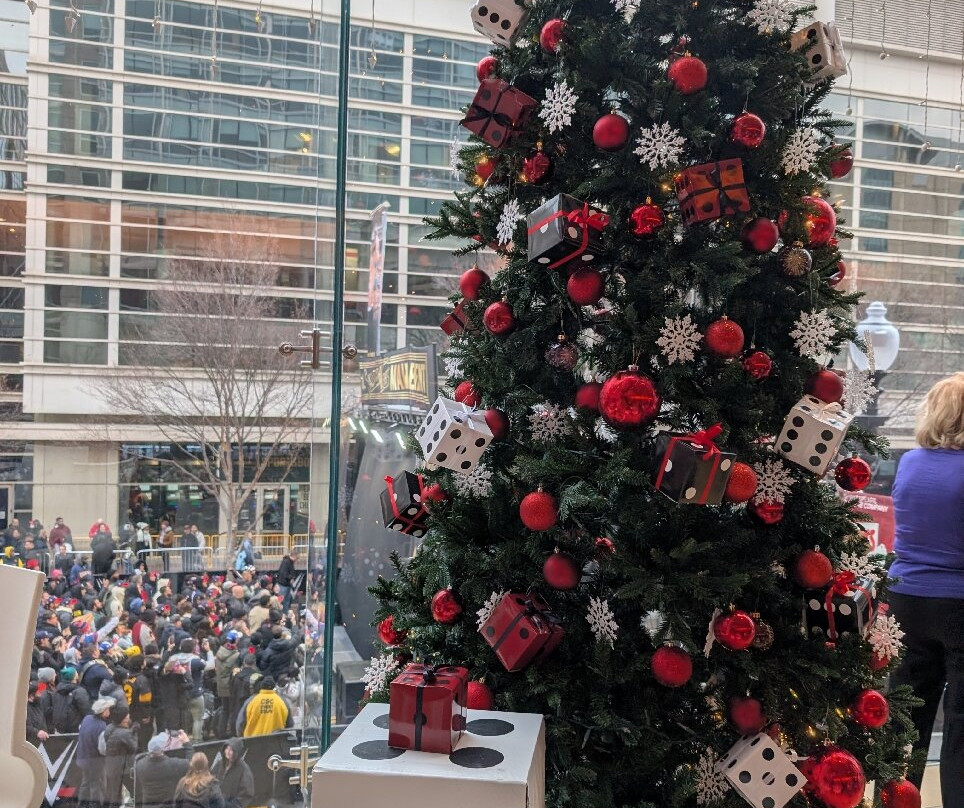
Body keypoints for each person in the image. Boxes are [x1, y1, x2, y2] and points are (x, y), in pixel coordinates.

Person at [888, 372, 964, 805]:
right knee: (961, 722)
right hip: (958, 606)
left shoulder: (910, 462)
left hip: (908, 601)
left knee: (905, 717)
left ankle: (896, 798)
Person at [134, 731, 193, 808]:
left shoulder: (140, 765)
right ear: (163, 749)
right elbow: (191, 763)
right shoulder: (173, 764)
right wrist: (187, 743)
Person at [76, 696, 114, 808]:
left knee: (85, 782)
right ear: (103, 712)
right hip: (95, 762)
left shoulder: (87, 718)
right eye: (107, 709)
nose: (109, 711)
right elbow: (103, 749)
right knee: (96, 785)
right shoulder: (101, 726)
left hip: (83, 758)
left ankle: (81, 804)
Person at [101, 702, 137, 808]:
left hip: (110, 765)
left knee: (113, 793)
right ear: (123, 718)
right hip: (124, 768)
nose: (129, 716)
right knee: (135, 790)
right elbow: (134, 747)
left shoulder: (108, 728)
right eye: (127, 715)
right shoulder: (124, 733)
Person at [210, 739, 254, 808]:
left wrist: (231, 805)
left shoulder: (244, 769)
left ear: (237, 752)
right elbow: (210, 779)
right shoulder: (220, 763)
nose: (228, 752)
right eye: (227, 748)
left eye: (231, 749)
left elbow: (246, 794)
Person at [51, 666, 91, 734]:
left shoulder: (57, 691)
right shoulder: (79, 691)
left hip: (59, 727)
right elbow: (86, 709)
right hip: (75, 728)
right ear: (74, 677)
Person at [26, 680, 51, 746]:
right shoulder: (24, 707)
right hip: (30, 743)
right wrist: (37, 732)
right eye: (39, 693)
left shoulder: (39, 703)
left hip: (41, 741)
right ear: (31, 695)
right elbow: (24, 726)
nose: (41, 695)